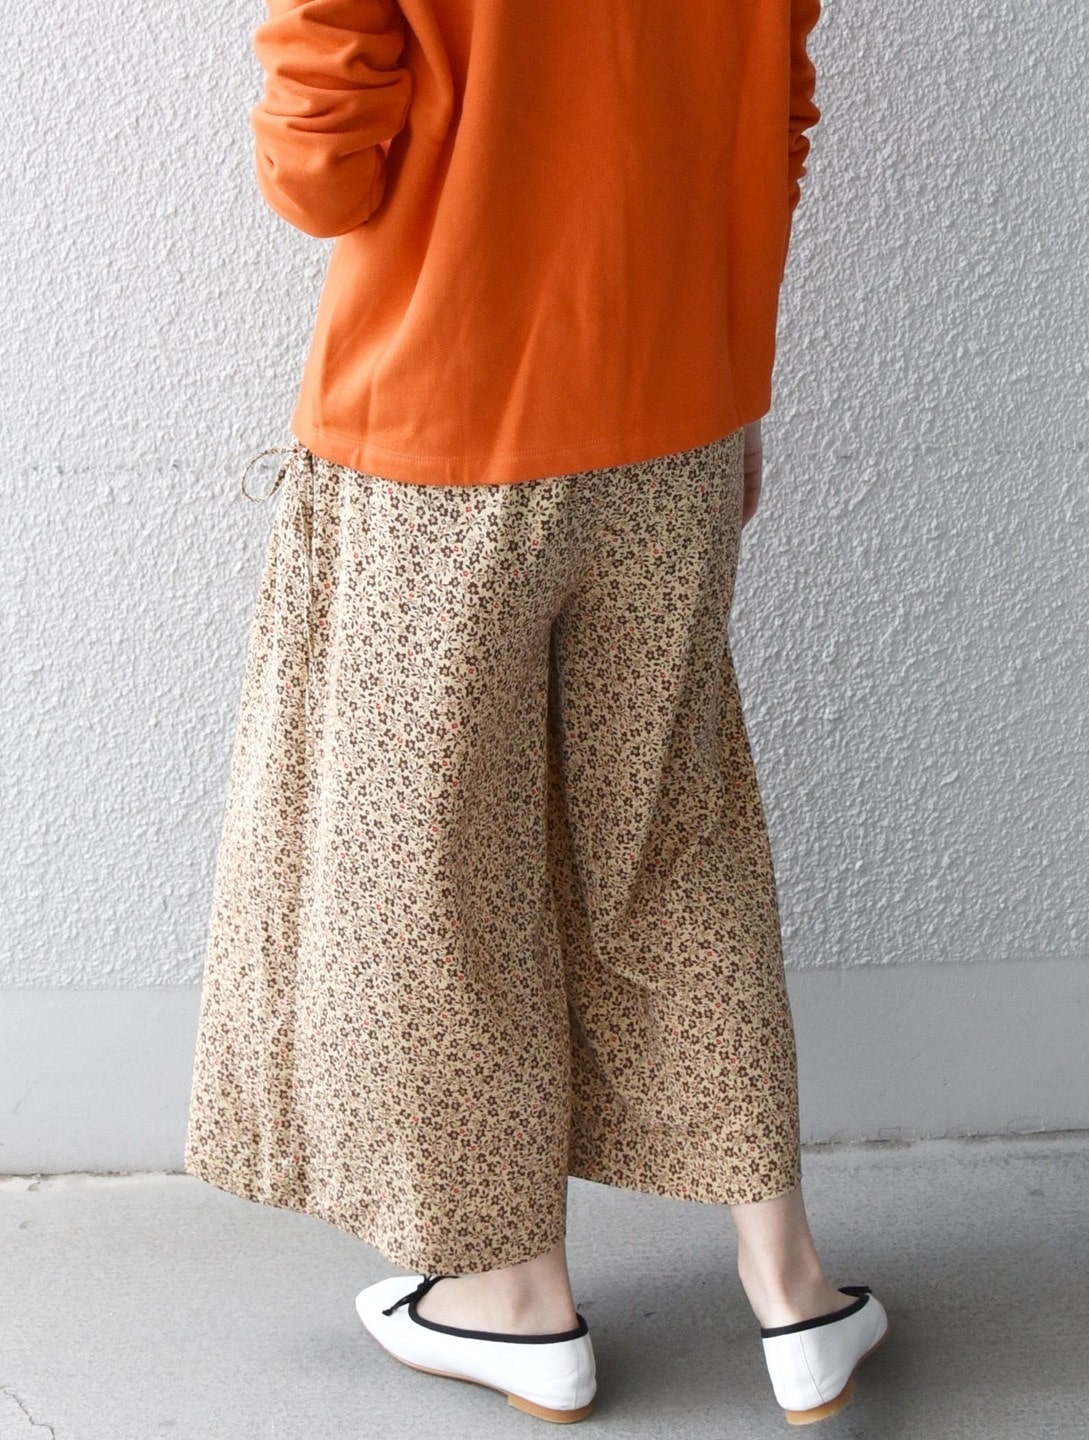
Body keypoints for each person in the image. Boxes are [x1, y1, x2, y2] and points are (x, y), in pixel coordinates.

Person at [184, 0, 889, 1425]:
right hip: (677, 414)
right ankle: (793, 1289)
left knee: (440, 871)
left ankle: (513, 1301)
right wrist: (734, 387)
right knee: (674, 843)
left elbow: (316, 176)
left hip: (445, 431)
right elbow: (774, 120)